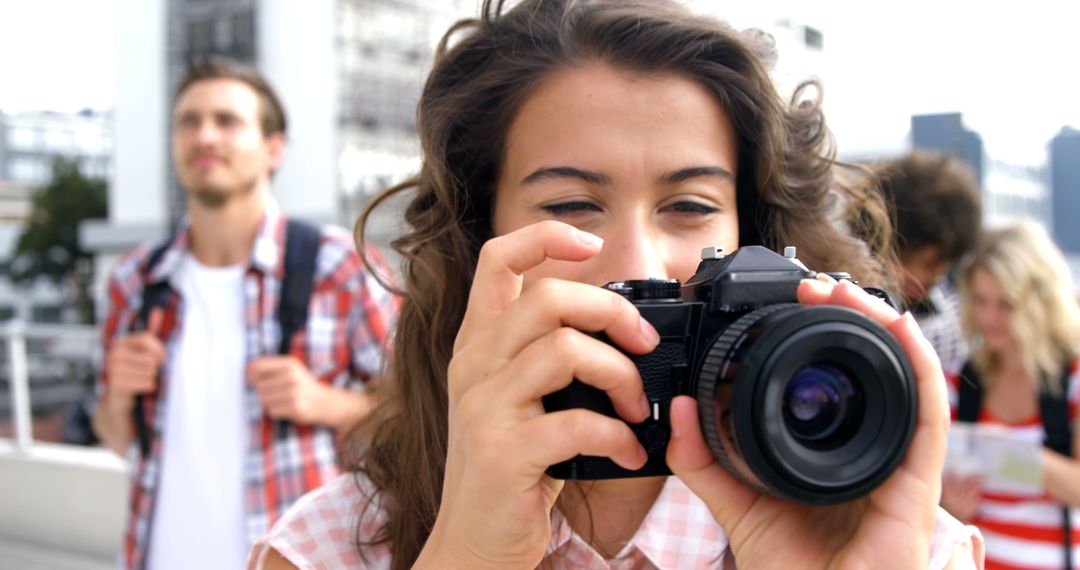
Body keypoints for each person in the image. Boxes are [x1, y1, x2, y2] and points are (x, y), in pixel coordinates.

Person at [250, 1, 983, 568]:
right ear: (478, 243)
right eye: (571, 206)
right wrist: (468, 552)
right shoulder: (331, 548)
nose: (636, 263)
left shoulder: (898, 543)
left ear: (757, 238)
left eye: (690, 207)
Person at [92, 55, 398, 569]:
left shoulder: (340, 265)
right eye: (189, 122)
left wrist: (326, 403)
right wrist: (119, 399)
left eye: (227, 121)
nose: (205, 136)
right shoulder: (135, 279)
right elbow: (116, 437)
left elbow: (418, 408)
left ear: (272, 149)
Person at [941, 219, 1080, 569]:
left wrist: (1013, 453)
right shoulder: (961, 380)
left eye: (1005, 303)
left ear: (1041, 301)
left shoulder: (1074, 376)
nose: (990, 317)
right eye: (980, 300)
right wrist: (951, 508)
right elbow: (936, 497)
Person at [872, 151, 982, 375]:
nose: (930, 276)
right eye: (926, 262)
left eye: (941, 262)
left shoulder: (958, 320)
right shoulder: (850, 302)